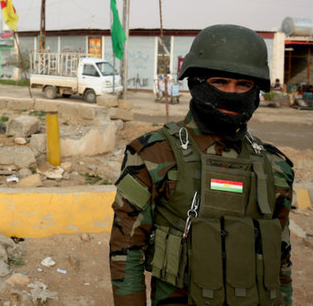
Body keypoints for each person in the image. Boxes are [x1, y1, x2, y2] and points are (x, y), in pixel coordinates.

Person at [109, 24, 294, 305]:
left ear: (257, 92)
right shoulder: (153, 155)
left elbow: (281, 260)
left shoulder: (275, 167)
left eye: (243, 85)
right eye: (220, 82)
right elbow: (126, 249)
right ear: (195, 83)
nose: (232, 94)